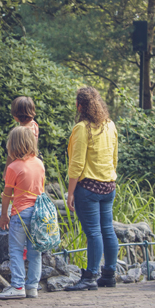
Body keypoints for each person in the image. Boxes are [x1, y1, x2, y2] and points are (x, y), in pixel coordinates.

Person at [65, 86, 119, 291]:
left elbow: (77, 164)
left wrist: (71, 193)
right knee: (107, 230)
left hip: (88, 188)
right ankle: (109, 274)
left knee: (94, 233)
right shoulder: (110, 125)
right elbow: (114, 158)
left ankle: (90, 277)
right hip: (109, 186)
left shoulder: (82, 128)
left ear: (79, 106)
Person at [0, 126, 45, 299]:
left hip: (20, 214)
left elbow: (7, 194)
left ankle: (17, 287)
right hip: (38, 214)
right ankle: (32, 287)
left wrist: (4, 215)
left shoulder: (14, 167)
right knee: (35, 251)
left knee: (16, 250)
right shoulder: (39, 163)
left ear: (12, 144)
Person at [4, 97, 39, 176]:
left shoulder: (19, 133)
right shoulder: (34, 124)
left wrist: (6, 171)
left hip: (21, 165)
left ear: (16, 115)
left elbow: (11, 153)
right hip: (34, 161)